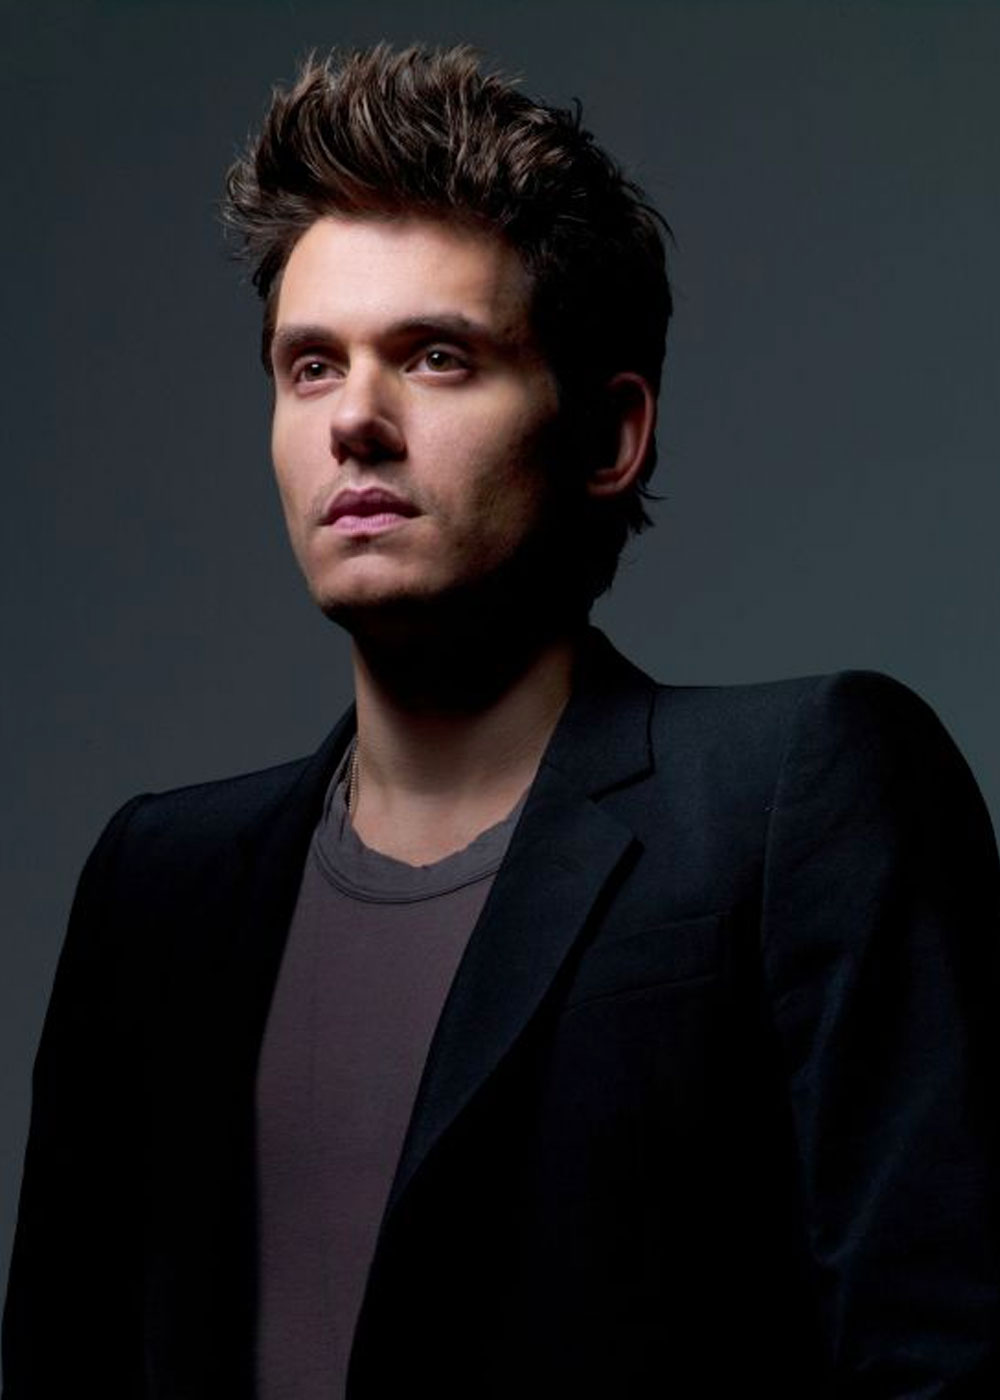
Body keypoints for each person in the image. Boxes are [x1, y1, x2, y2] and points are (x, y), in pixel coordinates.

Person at [4, 42, 999, 1400]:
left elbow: (940, 1352)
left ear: (609, 436)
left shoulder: (799, 791)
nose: (356, 421)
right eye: (310, 366)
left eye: (437, 357)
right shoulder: (156, 888)